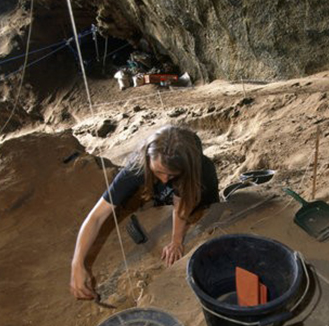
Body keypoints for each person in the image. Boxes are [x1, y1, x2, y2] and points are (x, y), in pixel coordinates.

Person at [70, 125, 219, 299]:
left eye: (170, 175)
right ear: (148, 158)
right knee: (161, 193)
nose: (163, 179)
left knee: (209, 208)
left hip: (200, 181)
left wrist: (176, 241)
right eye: (158, 172)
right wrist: (77, 263)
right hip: (169, 178)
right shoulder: (137, 167)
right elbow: (96, 216)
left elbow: (182, 202)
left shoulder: (196, 168)